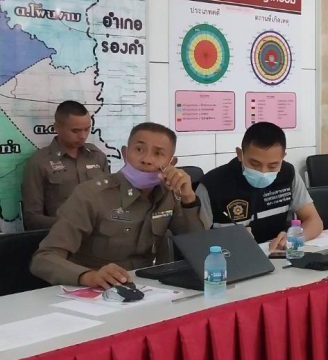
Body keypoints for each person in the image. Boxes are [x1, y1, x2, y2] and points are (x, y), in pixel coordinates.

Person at [30, 122, 204, 288]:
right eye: (139, 149)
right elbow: (44, 259)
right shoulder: (91, 195)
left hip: (148, 287)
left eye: (158, 153)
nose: (146, 159)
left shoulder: (169, 194)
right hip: (95, 290)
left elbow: (199, 248)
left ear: (171, 163)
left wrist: (188, 198)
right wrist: (89, 276)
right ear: (125, 153)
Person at [197, 121, 323, 250]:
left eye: (272, 166)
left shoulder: (288, 174)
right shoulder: (211, 185)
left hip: (276, 254)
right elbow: (195, 240)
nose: (263, 172)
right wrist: (231, 239)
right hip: (229, 256)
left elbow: (314, 220)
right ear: (240, 154)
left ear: (283, 157)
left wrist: (294, 238)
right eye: (254, 164)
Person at [21, 100, 109, 230]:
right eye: (75, 131)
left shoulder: (97, 156)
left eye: (87, 129)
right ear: (57, 127)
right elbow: (32, 219)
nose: (83, 136)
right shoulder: (39, 162)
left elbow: (109, 202)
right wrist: (68, 223)